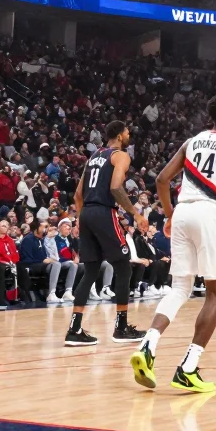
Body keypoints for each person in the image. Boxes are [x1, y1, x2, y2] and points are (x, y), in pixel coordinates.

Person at [132, 93, 216, 393]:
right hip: (210, 211)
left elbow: (162, 179)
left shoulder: (192, 141)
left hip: (184, 210)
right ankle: (188, 367)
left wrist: (170, 214)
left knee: (179, 288)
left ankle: (147, 346)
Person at [68, 121, 148, 346]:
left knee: (91, 271)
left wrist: (83, 220)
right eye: (128, 132)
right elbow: (115, 187)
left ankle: (74, 330)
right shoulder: (120, 155)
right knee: (123, 266)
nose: (129, 134)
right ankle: (121, 328)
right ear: (121, 136)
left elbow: (77, 195)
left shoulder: (93, 157)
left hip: (87, 214)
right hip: (103, 211)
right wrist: (135, 214)